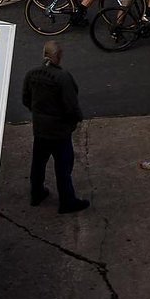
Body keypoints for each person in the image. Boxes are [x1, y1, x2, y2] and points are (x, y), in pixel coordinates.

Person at [22, 40, 89, 213]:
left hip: (40, 128)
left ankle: (36, 193)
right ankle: (67, 201)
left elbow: (26, 99)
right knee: (63, 166)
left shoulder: (31, 74)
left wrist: (38, 113)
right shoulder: (63, 77)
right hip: (59, 131)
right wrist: (76, 119)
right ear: (58, 56)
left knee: (38, 162)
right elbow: (71, 105)